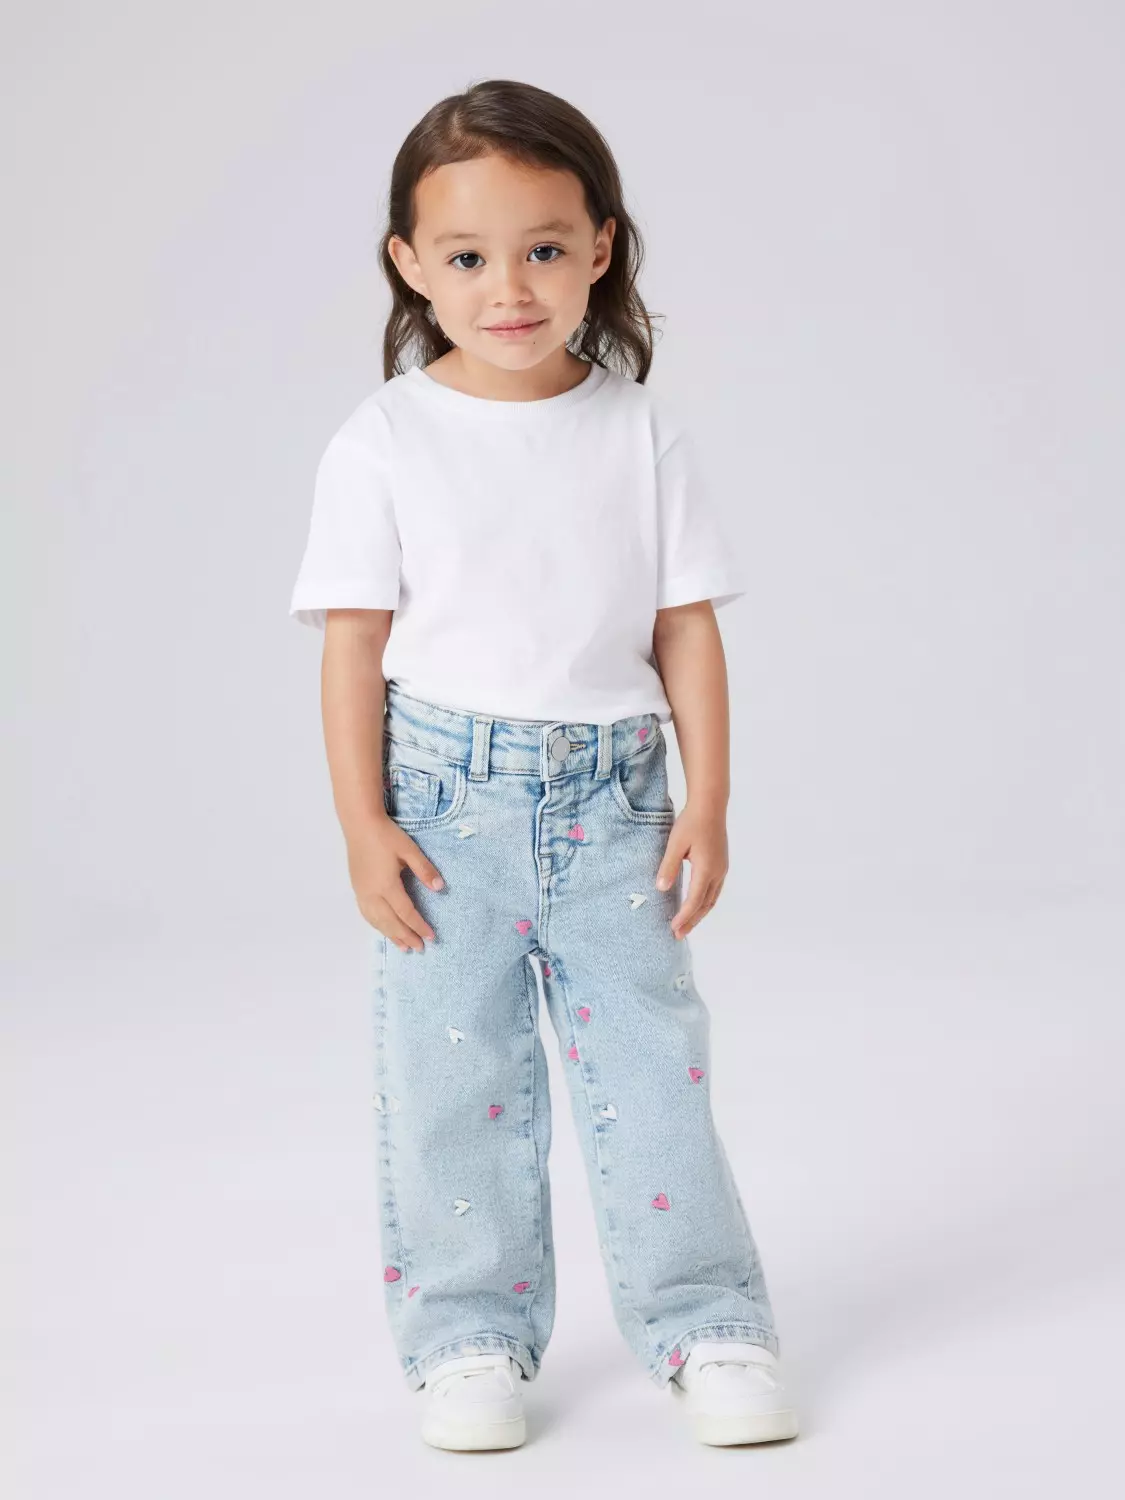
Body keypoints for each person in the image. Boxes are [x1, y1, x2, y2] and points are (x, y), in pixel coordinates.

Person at [289, 78, 799, 1452]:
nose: (507, 288)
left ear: (601, 248)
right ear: (410, 264)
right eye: (466, 256)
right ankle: (466, 1338)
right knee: (452, 1085)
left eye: (543, 249)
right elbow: (354, 646)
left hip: (616, 798)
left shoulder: (639, 430)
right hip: (442, 806)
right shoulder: (384, 440)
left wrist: (709, 800)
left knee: (653, 1070)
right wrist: (361, 824)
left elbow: (683, 627)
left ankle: (709, 1323)